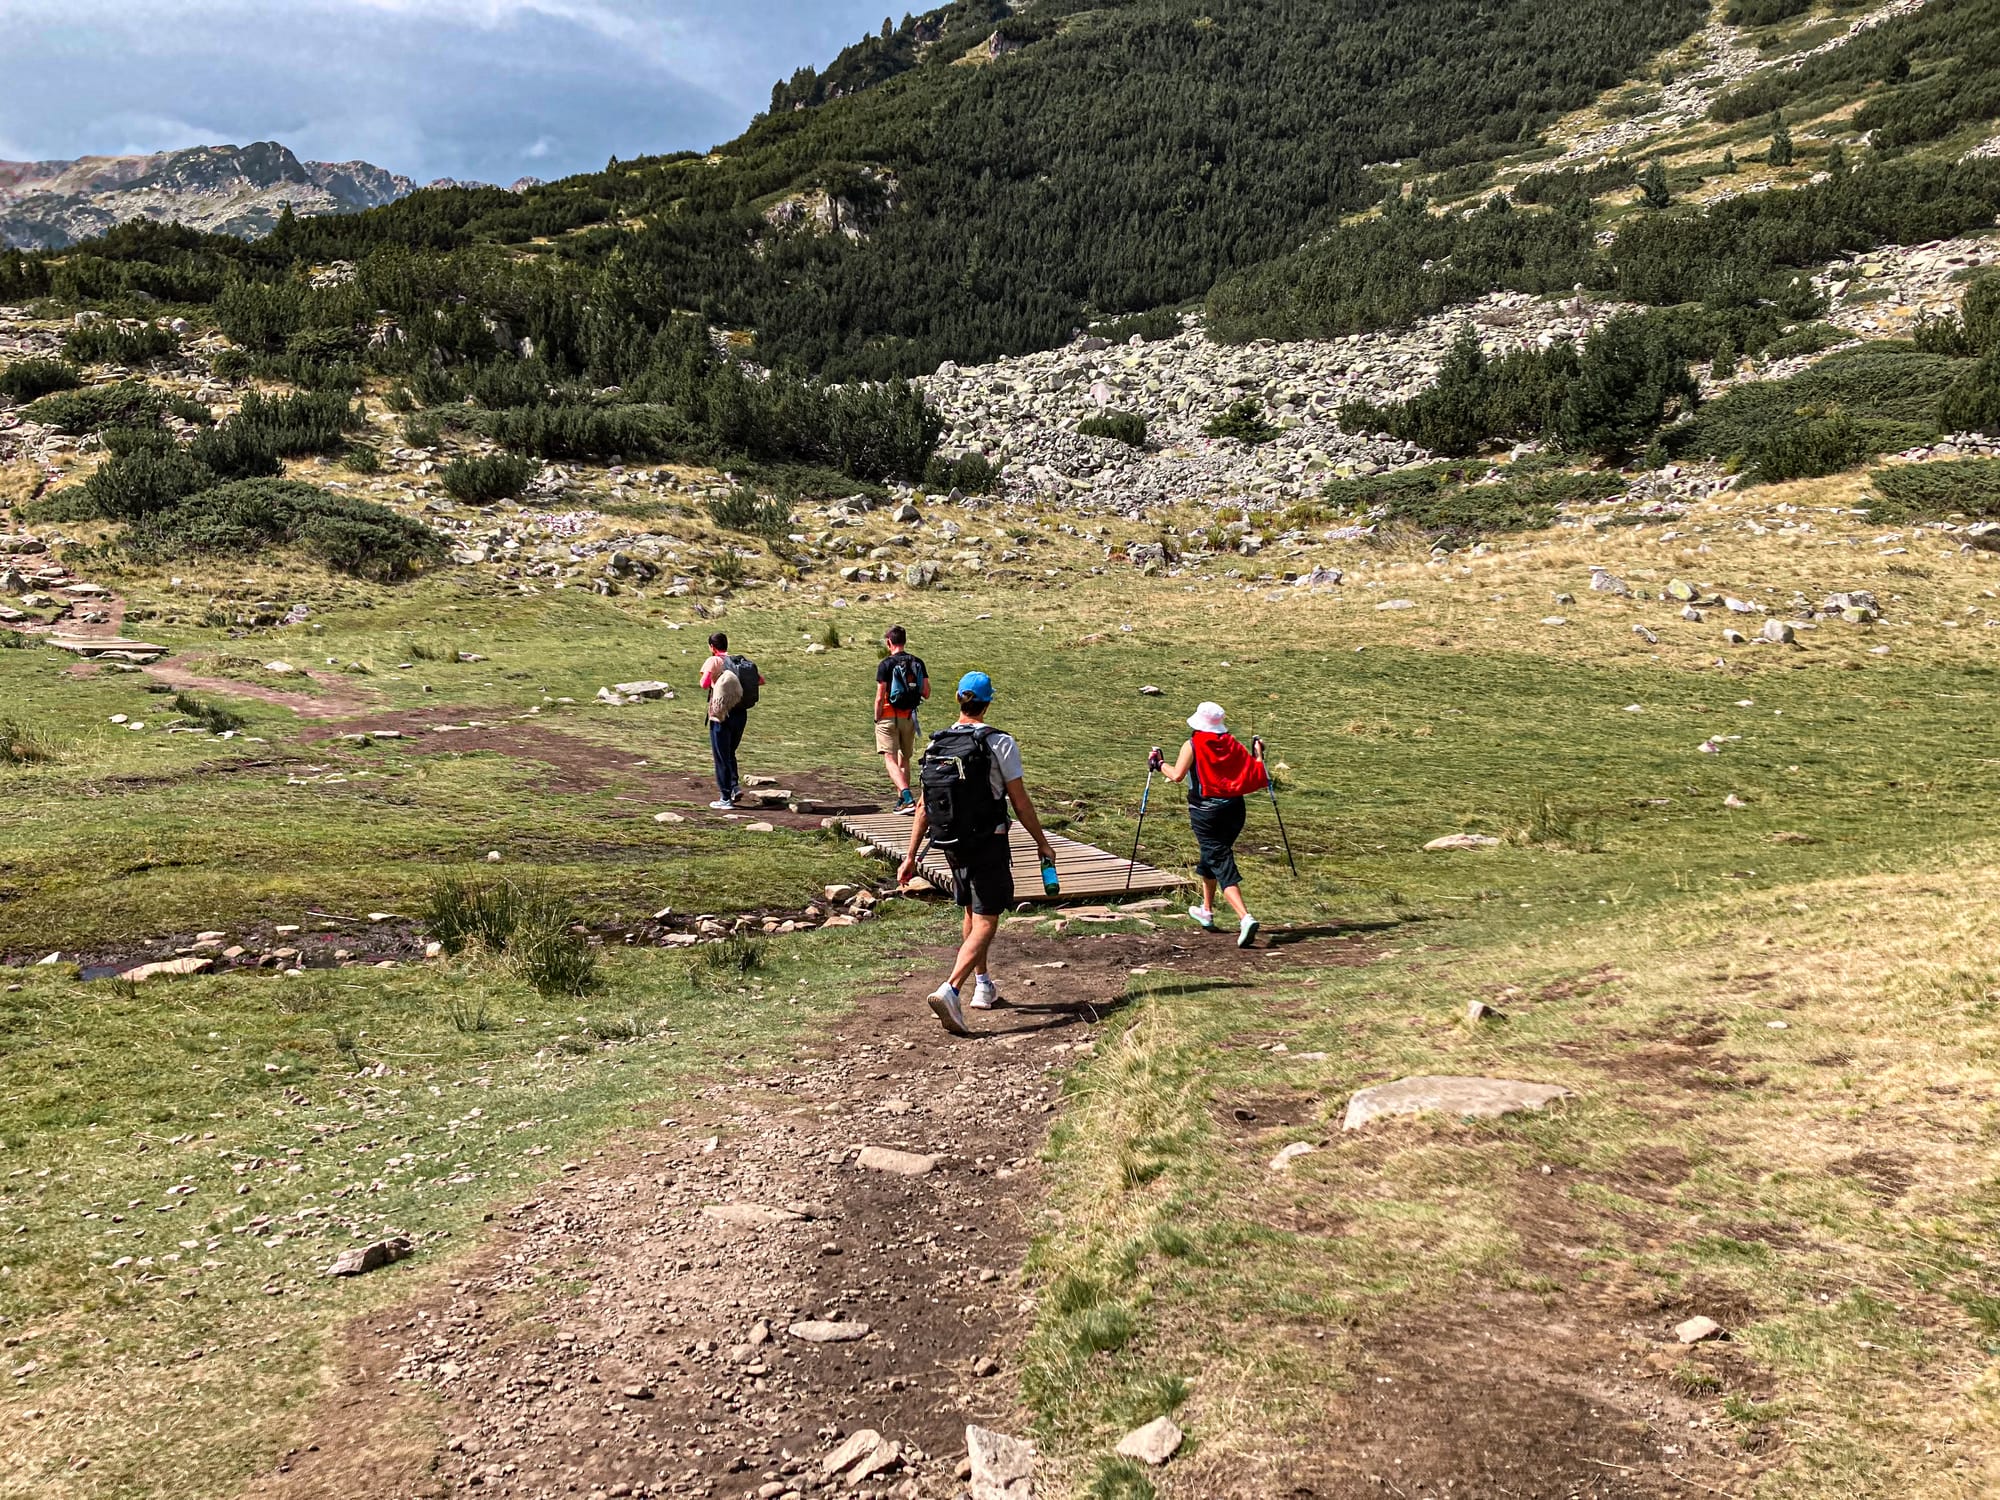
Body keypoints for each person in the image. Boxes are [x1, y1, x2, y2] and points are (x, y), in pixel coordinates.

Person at [898, 671, 1059, 1036]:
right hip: (988, 839)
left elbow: (923, 805)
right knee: (988, 918)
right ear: (988, 702)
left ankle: (983, 985)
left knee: (972, 910)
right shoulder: (999, 743)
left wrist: (911, 856)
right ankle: (951, 989)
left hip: (951, 843)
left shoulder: (938, 744)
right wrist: (1041, 842)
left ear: (958, 698)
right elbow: (1019, 801)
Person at [1157, 701, 1262, 948]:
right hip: (1235, 809)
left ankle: (1245, 917)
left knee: (1219, 859)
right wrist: (1258, 753)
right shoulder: (1232, 744)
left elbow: (1177, 775)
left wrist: (1158, 763)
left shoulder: (1192, 744)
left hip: (1206, 812)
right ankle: (1206, 910)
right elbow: (1252, 769)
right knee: (1211, 856)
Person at [700, 632, 762, 811]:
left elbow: (704, 683)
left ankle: (725, 797)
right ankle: (734, 787)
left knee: (720, 755)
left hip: (722, 714)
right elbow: (760, 681)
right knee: (730, 752)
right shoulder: (739, 662)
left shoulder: (713, 661)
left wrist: (716, 683)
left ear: (712, 647)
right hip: (741, 713)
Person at [874, 624, 931, 813]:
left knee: (889, 759)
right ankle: (901, 802)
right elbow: (926, 692)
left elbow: (880, 696)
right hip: (909, 717)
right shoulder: (918, 662)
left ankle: (907, 796)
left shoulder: (885, 664)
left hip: (888, 717)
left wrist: (877, 717)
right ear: (904, 641)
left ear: (889, 642)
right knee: (904, 759)